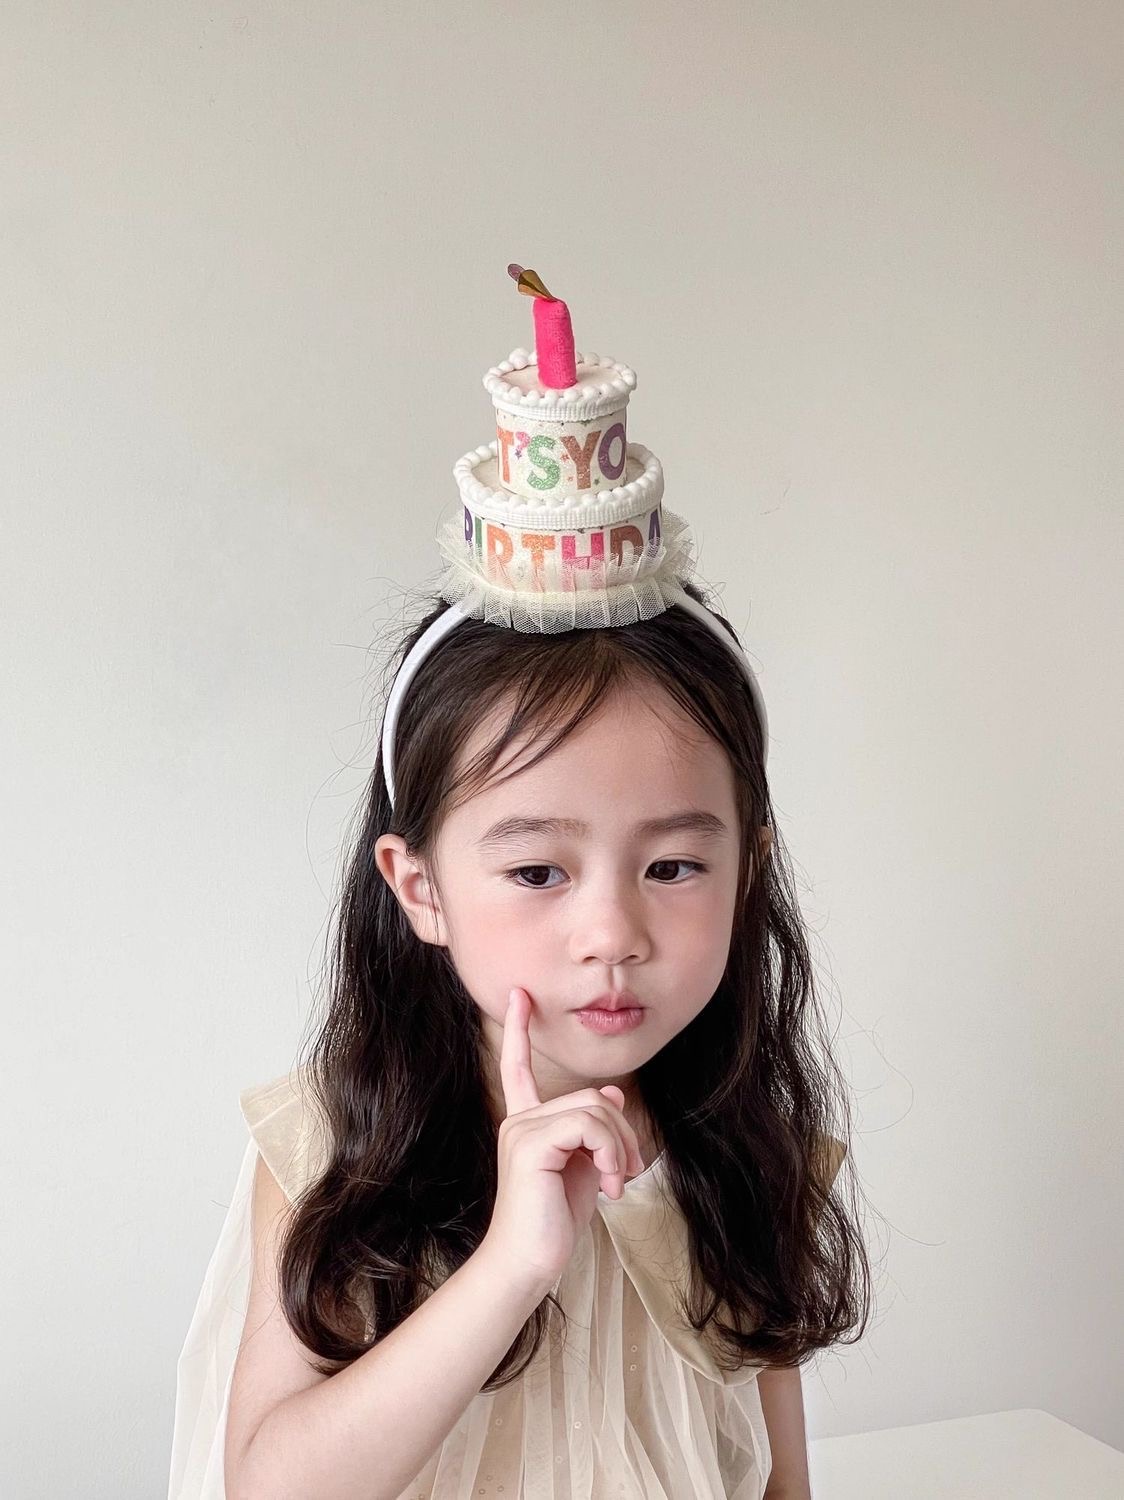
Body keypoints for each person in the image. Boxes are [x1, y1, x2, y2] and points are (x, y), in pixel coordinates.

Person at [168, 279, 871, 1500]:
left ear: (748, 869)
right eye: (538, 870)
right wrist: (509, 1264)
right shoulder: (340, 1146)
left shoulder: (745, 1150)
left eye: (673, 866)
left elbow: (777, 1483)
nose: (611, 933)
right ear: (420, 887)